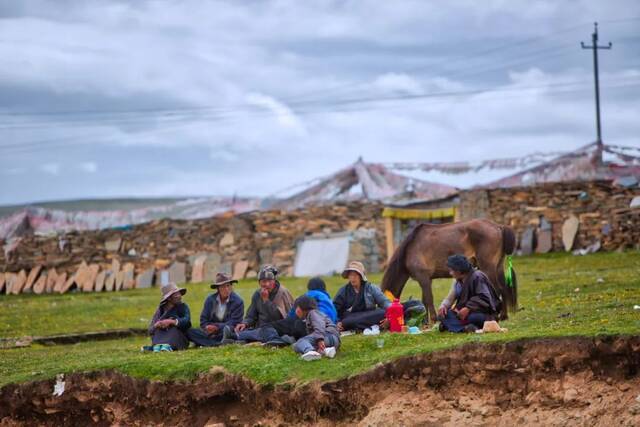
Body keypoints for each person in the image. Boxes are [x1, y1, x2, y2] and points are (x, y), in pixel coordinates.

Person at [222, 265, 294, 343]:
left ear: (274, 281)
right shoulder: (257, 294)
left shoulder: (282, 293)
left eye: (269, 281)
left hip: (277, 328)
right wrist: (245, 323)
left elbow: (279, 317)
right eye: (263, 281)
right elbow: (251, 315)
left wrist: (266, 300)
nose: (266, 284)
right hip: (260, 328)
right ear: (259, 283)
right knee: (253, 330)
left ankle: (236, 336)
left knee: (266, 331)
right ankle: (240, 338)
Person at [437, 254, 501, 333]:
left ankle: (454, 326)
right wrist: (443, 306)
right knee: (442, 316)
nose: (450, 273)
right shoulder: (457, 281)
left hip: (482, 313)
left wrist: (468, 308)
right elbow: (450, 298)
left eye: (451, 270)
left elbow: (484, 297)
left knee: (473, 318)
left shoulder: (477, 276)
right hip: (462, 315)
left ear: (458, 271)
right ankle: (467, 328)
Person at [186, 272, 244, 347]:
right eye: (223, 287)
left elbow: (235, 322)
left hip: (226, 331)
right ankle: (218, 343)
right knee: (190, 331)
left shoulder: (238, 301)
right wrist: (207, 327)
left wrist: (217, 327)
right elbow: (203, 320)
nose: (226, 289)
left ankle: (205, 342)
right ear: (218, 288)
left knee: (231, 331)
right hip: (210, 332)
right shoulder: (210, 300)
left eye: (228, 286)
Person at [333, 261, 390, 332]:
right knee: (348, 321)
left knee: (382, 313)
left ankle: (357, 326)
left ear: (361, 277)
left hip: (369, 316)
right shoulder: (343, 291)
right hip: (350, 318)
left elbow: (385, 303)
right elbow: (334, 309)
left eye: (355, 275)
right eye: (351, 275)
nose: (353, 278)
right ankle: (365, 326)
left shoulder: (371, 288)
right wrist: (337, 322)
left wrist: (389, 318)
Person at [144, 283, 192, 351]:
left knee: (173, 329)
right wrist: (157, 325)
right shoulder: (160, 310)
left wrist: (172, 322)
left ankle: (166, 346)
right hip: (160, 338)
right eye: (176, 294)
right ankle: (159, 346)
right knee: (159, 330)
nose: (180, 296)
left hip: (178, 339)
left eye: (179, 293)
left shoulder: (183, 307)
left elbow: (187, 322)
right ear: (169, 298)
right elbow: (151, 330)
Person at [292, 295, 340, 361]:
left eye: (296, 308)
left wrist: (320, 339)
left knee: (301, 341)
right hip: (333, 340)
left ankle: (310, 351)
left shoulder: (313, 313)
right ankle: (326, 351)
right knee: (296, 345)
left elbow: (319, 325)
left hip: (328, 335)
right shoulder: (311, 315)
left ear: (303, 307)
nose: (296, 311)